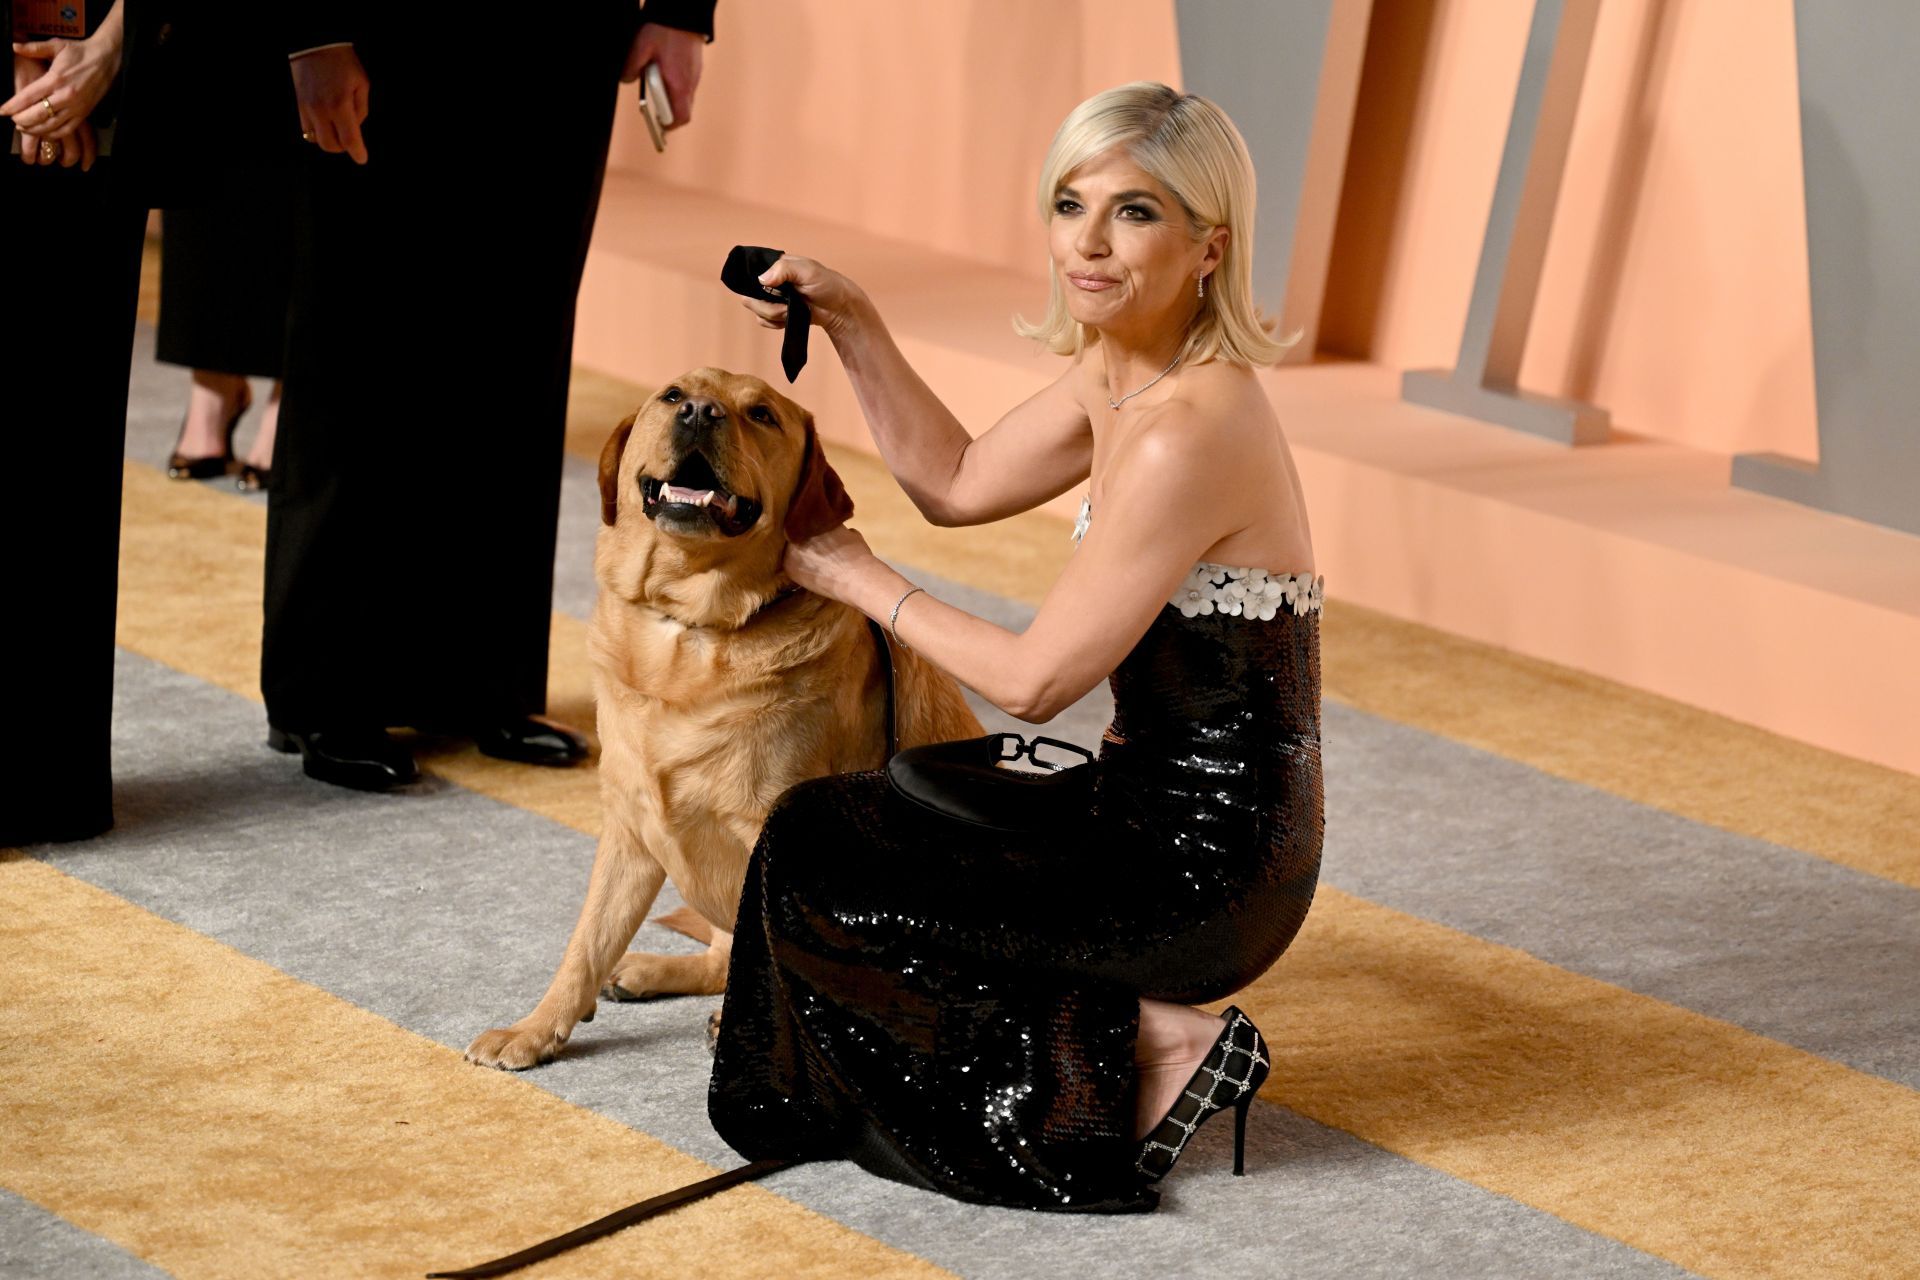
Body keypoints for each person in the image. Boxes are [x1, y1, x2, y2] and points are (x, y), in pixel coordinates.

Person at [708, 81, 1325, 1211]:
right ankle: (1127, 1031)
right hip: (1132, 804)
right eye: (1069, 202)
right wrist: (851, 317)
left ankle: (1148, 1044)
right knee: (822, 829)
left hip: (1208, 867)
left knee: (855, 886)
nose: (1087, 242)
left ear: (1208, 248)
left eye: (1135, 212)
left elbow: (1037, 681)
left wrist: (859, 578)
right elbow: (953, 482)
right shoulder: (1120, 367)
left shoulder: (1191, 427)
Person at [260, 2, 717, 791]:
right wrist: (316, 28)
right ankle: (324, 687)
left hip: (560, 35)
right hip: (385, 25)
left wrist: (681, 9)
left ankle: (479, 682)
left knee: (521, 343)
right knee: (359, 340)